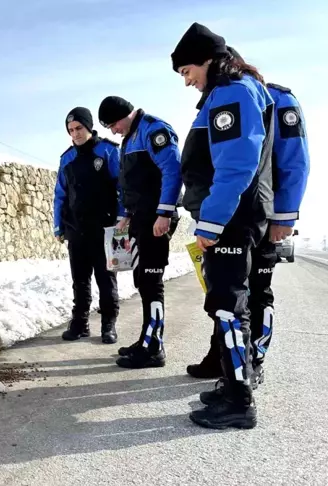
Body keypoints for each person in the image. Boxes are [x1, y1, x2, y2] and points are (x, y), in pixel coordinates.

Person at [186, 46, 311, 392]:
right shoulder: (222, 98)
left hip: (260, 214)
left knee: (255, 293)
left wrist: (283, 216)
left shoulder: (275, 99)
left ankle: (252, 364)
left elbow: (293, 162)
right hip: (238, 211)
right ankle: (226, 363)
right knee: (232, 293)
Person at [171, 22, 276, 429]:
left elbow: (235, 165)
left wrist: (211, 223)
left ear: (208, 59)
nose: (187, 81)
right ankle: (233, 384)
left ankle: (238, 400)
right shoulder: (233, 90)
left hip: (231, 219)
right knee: (231, 304)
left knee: (227, 307)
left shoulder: (232, 92)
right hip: (234, 216)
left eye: (186, 71)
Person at [97, 96, 183, 368]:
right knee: (143, 281)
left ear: (125, 115)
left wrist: (164, 212)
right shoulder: (129, 139)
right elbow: (128, 183)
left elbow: (172, 170)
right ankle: (146, 338)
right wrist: (124, 215)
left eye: (113, 124)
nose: (113, 130)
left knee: (151, 282)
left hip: (156, 219)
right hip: (140, 219)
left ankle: (154, 347)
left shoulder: (153, 130)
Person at [53, 107, 123, 344]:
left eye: (79, 128)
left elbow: (122, 189)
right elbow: (60, 195)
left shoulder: (108, 151)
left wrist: (122, 219)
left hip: (105, 230)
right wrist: (58, 226)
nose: (75, 134)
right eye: (71, 130)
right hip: (77, 230)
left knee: (106, 280)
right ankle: (80, 324)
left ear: (89, 127)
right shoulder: (66, 158)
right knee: (80, 281)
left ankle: (108, 325)